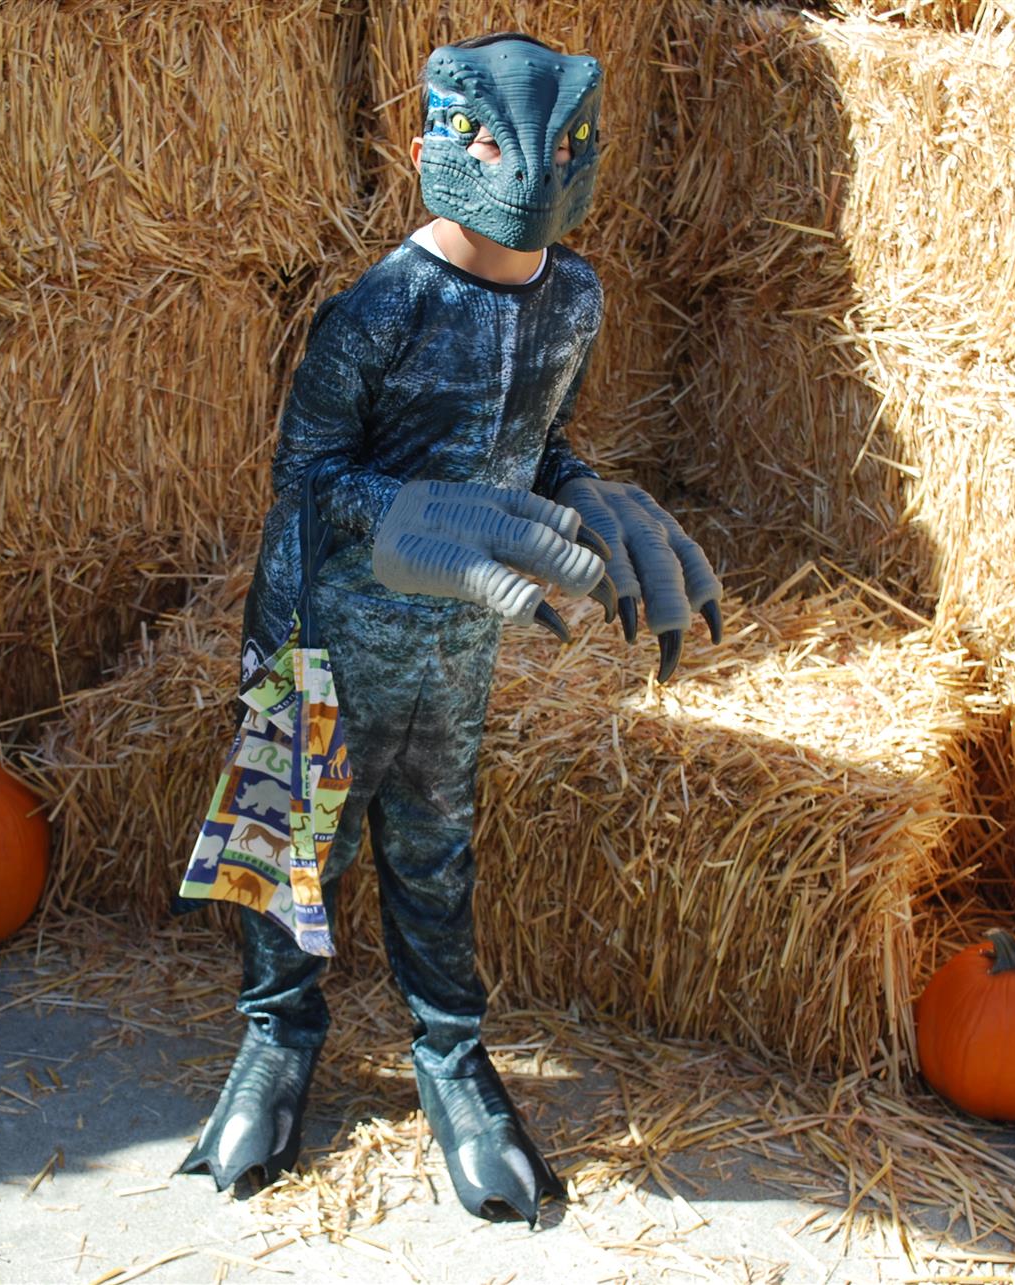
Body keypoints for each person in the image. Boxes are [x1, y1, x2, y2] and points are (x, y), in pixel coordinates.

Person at [178, 31, 722, 1225]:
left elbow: (541, 442)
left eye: (558, 149)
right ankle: (277, 1039)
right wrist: (438, 515)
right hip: (322, 632)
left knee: (434, 851)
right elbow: (308, 480)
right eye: (489, 142)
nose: (524, 175)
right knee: (294, 846)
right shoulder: (382, 305)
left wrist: (585, 493)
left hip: (453, 647)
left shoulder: (574, 297)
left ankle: (450, 1059)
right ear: (431, 140)